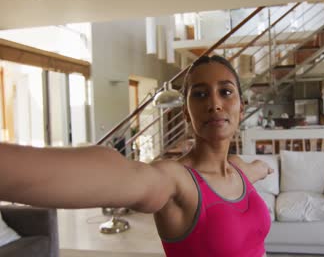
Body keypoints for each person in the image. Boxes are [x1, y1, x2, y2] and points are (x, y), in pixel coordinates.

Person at [0, 55, 273, 257]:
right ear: (186, 113)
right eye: (200, 95)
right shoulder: (175, 181)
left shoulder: (238, 169)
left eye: (225, 92)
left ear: (241, 105)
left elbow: (258, 168)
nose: (214, 103)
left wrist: (264, 167)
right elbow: (116, 174)